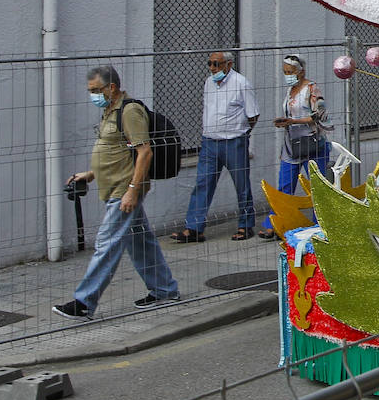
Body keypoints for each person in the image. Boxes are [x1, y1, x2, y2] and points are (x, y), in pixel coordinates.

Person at [53, 66, 178, 320]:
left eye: (96, 90)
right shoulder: (110, 111)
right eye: (90, 91)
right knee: (141, 242)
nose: (93, 96)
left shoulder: (129, 111)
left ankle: (84, 302)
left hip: (124, 191)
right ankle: (165, 290)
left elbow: (145, 153)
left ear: (111, 88)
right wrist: (89, 175)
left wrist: (132, 191)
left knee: (106, 244)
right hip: (114, 188)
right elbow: (114, 152)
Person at [171, 51, 259, 242]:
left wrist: (241, 132)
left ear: (228, 64)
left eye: (216, 64)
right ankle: (194, 228)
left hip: (234, 141)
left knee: (241, 185)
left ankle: (245, 225)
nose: (212, 68)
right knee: (203, 183)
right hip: (210, 141)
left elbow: (253, 115)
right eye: (210, 64)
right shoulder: (209, 83)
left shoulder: (241, 83)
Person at [258, 54, 331, 241]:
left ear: (301, 72)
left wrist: (293, 121)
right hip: (291, 145)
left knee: (316, 186)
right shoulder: (290, 90)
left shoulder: (312, 89)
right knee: (285, 185)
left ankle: (319, 224)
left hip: (312, 144)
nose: (287, 75)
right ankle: (277, 223)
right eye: (285, 72)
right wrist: (286, 122)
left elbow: (319, 115)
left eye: (290, 72)